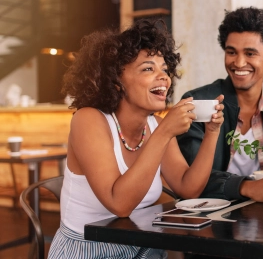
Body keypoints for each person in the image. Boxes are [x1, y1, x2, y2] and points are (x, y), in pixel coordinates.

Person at [49, 19, 224, 258]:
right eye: (148, 68)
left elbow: (188, 187)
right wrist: (164, 133)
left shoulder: (156, 124)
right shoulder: (88, 120)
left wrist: (212, 133)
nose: (163, 76)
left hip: (143, 245)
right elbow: (119, 204)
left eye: (164, 69)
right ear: (116, 81)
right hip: (89, 249)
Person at [177, 7, 263, 203]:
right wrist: (246, 187)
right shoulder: (198, 102)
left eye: (250, 53)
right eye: (231, 52)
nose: (239, 63)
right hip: (211, 215)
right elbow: (189, 177)